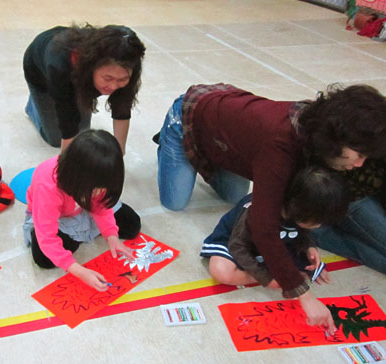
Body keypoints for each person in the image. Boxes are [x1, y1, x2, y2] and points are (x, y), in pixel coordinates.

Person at [156, 83, 386, 333]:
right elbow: (263, 227)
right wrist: (304, 296)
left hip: (228, 137)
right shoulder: (280, 144)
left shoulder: (317, 133)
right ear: (336, 138)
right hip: (191, 114)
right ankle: (168, 138)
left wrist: (305, 244)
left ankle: (221, 151)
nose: (360, 163)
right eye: (358, 154)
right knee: (175, 201)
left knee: (232, 193)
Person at [23, 129, 141, 291]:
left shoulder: (93, 180)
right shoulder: (48, 186)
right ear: (79, 179)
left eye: (104, 188)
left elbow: (102, 206)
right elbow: (48, 238)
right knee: (44, 257)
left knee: (132, 224)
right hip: (59, 218)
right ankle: (42, 232)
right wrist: (79, 271)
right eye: (97, 189)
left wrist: (112, 236)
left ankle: (85, 229)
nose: (101, 192)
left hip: (82, 207)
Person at [201, 166, 349, 290]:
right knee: (221, 272)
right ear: (298, 207)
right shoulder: (257, 210)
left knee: (303, 261)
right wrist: (267, 278)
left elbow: (301, 233)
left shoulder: (297, 210)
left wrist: (309, 247)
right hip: (235, 241)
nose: (318, 226)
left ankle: (274, 266)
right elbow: (237, 246)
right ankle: (266, 270)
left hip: (274, 244)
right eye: (316, 221)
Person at [23, 24, 145, 153]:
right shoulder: (60, 66)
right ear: (91, 67)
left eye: (122, 80)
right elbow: (68, 121)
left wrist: (119, 154)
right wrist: (66, 167)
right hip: (41, 73)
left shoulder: (128, 60)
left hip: (76, 75)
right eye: (108, 78)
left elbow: (122, 106)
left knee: (82, 134)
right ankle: (34, 106)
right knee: (55, 138)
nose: (114, 86)